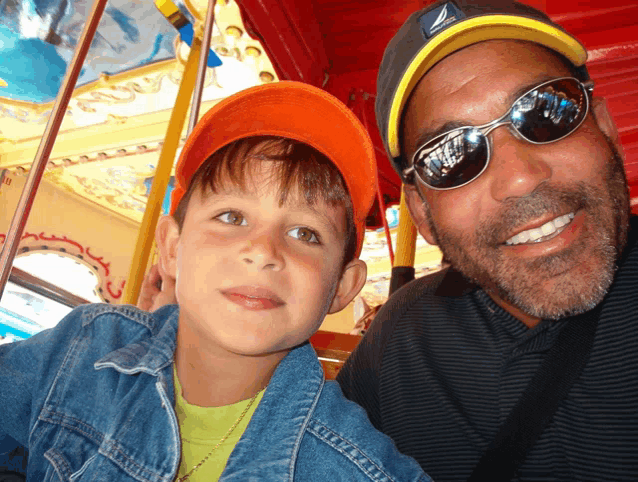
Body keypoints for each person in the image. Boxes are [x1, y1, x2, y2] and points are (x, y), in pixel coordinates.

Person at [0, 82, 431, 481]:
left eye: (305, 233)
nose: (262, 251)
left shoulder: (362, 468)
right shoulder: (82, 346)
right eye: (231, 217)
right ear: (171, 248)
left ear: (342, 285)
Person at [337, 1, 638, 481]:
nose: (519, 177)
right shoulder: (398, 344)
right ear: (422, 213)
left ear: (605, 129)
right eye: (451, 154)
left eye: (546, 110)